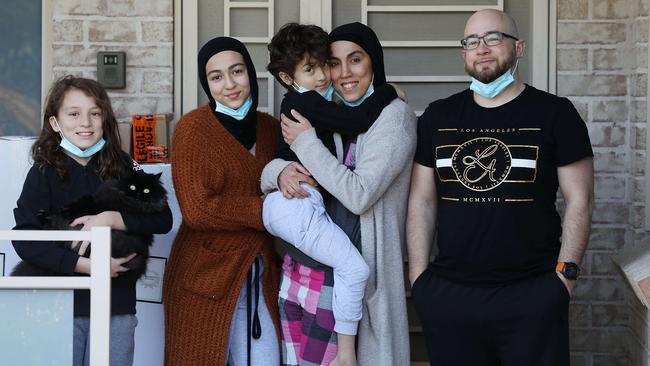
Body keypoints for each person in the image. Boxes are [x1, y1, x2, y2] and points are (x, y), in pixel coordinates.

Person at [406, 9, 594, 366]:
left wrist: (564, 278)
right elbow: (422, 202)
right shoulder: (438, 117)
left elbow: (580, 199)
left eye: (494, 38)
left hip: (533, 292)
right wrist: (420, 279)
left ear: (519, 47)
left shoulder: (555, 114)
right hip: (450, 296)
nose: (482, 48)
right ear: (463, 52)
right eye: (472, 41)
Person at [261, 22, 416, 366]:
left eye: (356, 60)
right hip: (315, 272)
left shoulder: (394, 119)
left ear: (373, 61)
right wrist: (278, 172)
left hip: (363, 274)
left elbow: (359, 195)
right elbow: (285, 161)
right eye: (333, 62)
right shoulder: (325, 110)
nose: (341, 73)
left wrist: (304, 144)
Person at [12, 75, 173, 366]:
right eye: (73, 114)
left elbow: (163, 219)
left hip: (117, 305)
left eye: (95, 113)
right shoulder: (43, 172)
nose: (85, 122)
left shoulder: (123, 165)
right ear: (55, 124)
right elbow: (25, 239)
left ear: (105, 120)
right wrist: (90, 266)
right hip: (59, 305)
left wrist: (112, 218)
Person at [162, 37, 281, 366]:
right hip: (205, 277)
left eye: (237, 71)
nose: (229, 84)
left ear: (250, 73)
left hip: (261, 274)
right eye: (216, 77)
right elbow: (197, 209)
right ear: (206, 83)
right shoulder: (193, 129)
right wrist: (265, 210)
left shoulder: (272, 129)